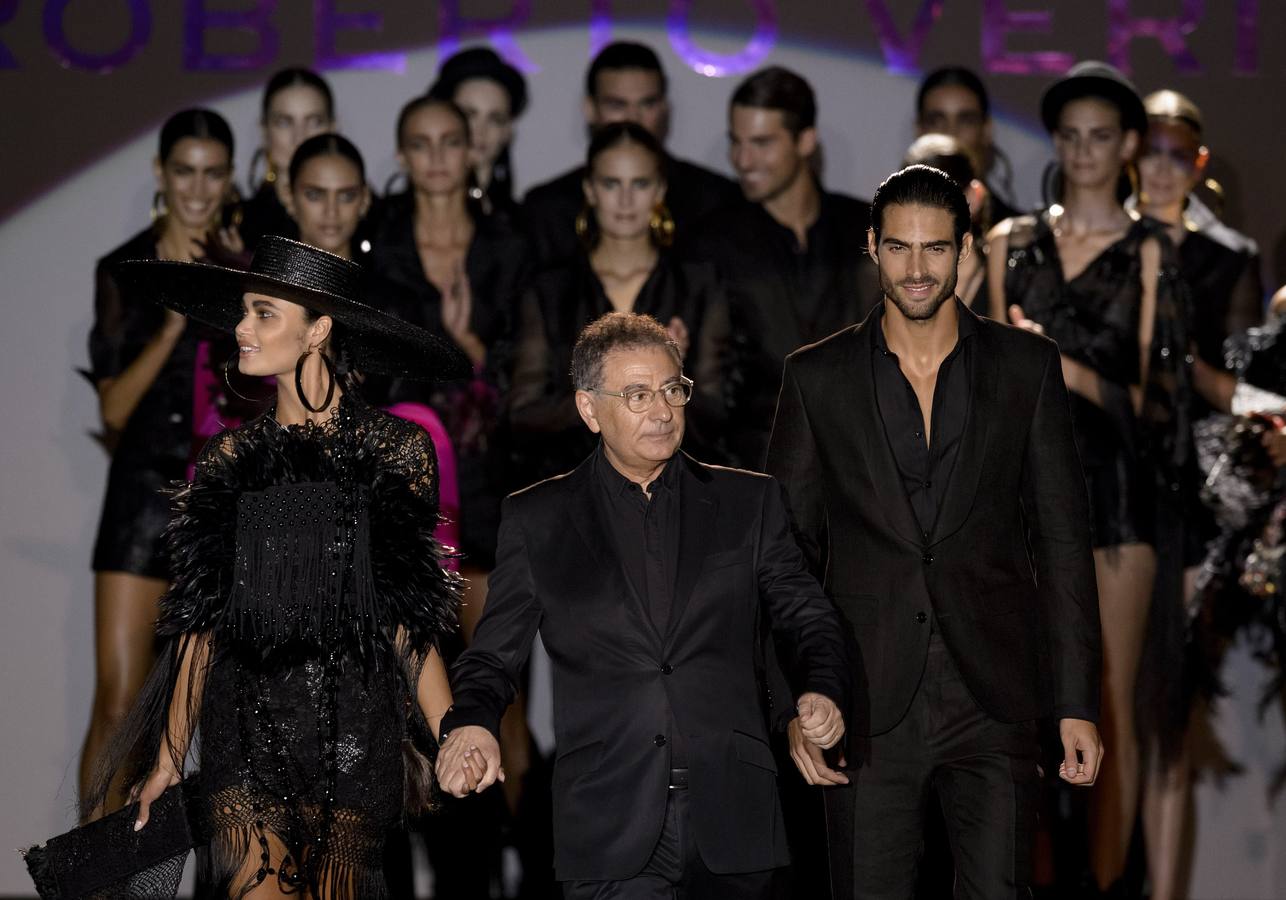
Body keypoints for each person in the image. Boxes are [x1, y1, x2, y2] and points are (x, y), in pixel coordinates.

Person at [81, 235, 470, 898]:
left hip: (355, 734)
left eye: (263, 313)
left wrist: (452, 731)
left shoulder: (399, 452)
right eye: (243, 311)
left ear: (318, 330)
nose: (239, 328)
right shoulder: (227, 460)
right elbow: (199, 626)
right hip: (246, 737)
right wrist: (170, 759)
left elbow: (409, 618)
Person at [767, 164, 1103, 897]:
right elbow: (785, 558)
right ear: (872, 247)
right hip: (864, 698)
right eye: (899, 248)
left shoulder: (1027, 367)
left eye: (936, 250)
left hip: (997, 696)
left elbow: (1063, 543)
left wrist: (1075, 700)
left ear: (965, 250)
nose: (917, 270)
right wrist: (797, 699)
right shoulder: (816, 377)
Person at [435, 312, 851, 899]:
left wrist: (820, 686)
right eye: (635, 395)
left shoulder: (748, 502)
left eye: (671, 390)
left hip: (735, 818)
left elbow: (806, 615)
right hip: (608, 825)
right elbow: (492, 658)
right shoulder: (539, 519)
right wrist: (472, 722)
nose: (661, 411)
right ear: (588, 409)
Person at [987, 61, 1191, 893]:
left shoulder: (1153, 253)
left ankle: (1108, 886)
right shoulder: (1013, 242)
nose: (1081, 152)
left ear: (1130, 145)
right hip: (1016, 497)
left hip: (1111, 494)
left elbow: (1155, 403)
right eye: (1068, 136)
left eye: (1099, 136)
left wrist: (1053, 364)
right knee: (1018, 705)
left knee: (1105, 704)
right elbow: (983, 376)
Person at [80, 107, 251, 815]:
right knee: (119, 702)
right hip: (140, 497)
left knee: (213, 716)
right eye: (185, 171)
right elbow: (114, 410)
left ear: (229, 177)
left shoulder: (244, 273)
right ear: (160, 174)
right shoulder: (125, 269)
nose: (198, 188)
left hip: (221, 501)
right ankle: (95, 877)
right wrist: (177, 318)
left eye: (213, 173)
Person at [1131, 88, 1265, 900]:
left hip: (1188, 493)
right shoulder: (1089, 243)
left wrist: (1175, 366)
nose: (1160, 165)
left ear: (1200, 162)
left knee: (1170, 717)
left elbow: (1247, 391)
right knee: (1099, 713)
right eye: (1150, 148)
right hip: (1100, 486)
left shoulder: (1229, 257)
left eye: (1178, 151)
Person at [508, 121, 730, 486]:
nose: (626, 200)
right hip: (569, 489)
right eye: (612, 184)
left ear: (659, 189)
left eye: (639, 184)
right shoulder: (550, 290)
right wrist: (614, 396)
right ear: (590, 190)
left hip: (678, 490)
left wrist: (674, 376)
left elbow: (719, 415)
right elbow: (521, 416)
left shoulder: (698, 284)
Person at [369, 94, 529, 574]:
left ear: (472, 151)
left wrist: (473, 345)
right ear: (401, 155)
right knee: (405, 642)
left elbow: (536, 367)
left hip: (489, 467)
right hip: (394, 467)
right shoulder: (376, 243)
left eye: (450, 143)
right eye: (421, 144)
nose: (437, 158)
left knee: (488, 641)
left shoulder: (509, 245)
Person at [693, 65, 880, 470]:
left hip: (863, 472)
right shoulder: (711, 243)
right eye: (736, 142)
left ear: (806, 140)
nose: (743, 159)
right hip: (754, 473)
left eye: (761, 142)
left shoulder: (865, 229)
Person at [522, 41, 740, 269]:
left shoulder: (715, 201)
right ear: (590, 109)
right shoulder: (548, 210)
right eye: (617, 105)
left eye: (648, 104)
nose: (633, 118)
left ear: (665, 107)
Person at [241, 67, 336, 250]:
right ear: (264, 130)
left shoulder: (370, 220)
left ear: (332, 128)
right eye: (284, 122)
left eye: (314, 122)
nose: (299, 138)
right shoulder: (238, 224)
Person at [429, 46, 528, 222]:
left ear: (507, 132)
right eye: (469, 115)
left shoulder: (524, 223)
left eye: (495, 119)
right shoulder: (396, 220)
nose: (480, 131)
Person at [915, 65, 1020, 221]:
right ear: (919, 130)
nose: (950, 134)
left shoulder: (1016, 235)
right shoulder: (886, 224)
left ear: (986, 131)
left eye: (966, 121)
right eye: (936, 121)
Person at [903, 132, 991, 310]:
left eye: (943, 199)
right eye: (914, 199)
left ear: (975, 197)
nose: (927, 215)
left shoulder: (1005, 281)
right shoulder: (890, 281)